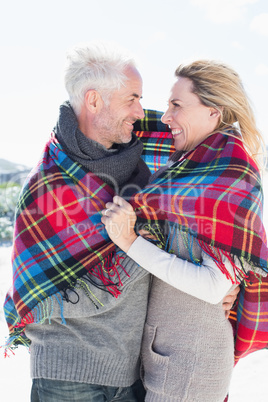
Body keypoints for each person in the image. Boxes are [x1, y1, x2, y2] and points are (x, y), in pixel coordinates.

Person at [3, 45, 238, 402]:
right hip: (67, 376)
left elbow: (209, 146)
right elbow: (53, 295)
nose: (141, 112)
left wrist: (222, 282)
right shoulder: (49, 183)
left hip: (131, 373)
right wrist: (139, 245)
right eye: (132, 99)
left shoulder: (141, 158)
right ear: (94, 101)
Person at [102, 60, 268, 401]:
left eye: (177, 105)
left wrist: (129, 240)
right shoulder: (187, 168)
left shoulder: (232, 175)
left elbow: (211, 286)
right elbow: (126, 128)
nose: (165, 117)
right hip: (166, 357)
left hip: (192, 363)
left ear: (213, 112)